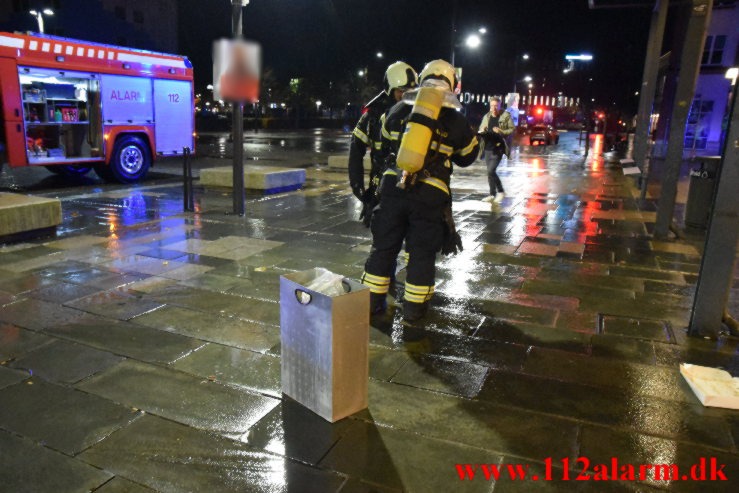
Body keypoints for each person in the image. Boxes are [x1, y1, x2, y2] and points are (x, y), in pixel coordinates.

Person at [361, 59, 480, 322]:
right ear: (452, 84)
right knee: (421, 253)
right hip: (430, 195)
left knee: (383, 248)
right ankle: (413, 311)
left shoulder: (396, 111)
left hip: (393, 189)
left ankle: (371, 303)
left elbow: (383, 144)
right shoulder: (456, 119)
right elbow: (468, 157)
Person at [348, 61, 418, 226]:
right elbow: (355, 149)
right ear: (390, 89)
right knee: (382, 240)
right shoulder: (372, 116)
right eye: (401, 91)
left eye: (411, 91)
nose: (406, 96)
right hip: (380, 186)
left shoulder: (418, 113)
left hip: (413, 187)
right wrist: (357, 186)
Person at [478, 96, 514, 203]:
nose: (494, 108)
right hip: (487, 147)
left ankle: (501, 191)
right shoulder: (486, 116)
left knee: (491, 170)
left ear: (500, 106)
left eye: (496, 106)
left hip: (498, 148)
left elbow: (512, 129)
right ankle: (492, 194)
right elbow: (481, 128)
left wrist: (501, 131)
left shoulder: (505, 116)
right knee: (490, 173)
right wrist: (482, 130)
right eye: (492, 105)